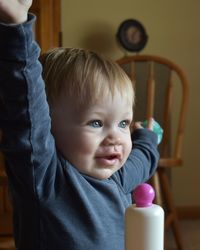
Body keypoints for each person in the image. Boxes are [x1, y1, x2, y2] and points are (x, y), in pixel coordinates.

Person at [0, 1, 160, 249]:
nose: (116, 137)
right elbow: (26, 108)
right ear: (49, 127)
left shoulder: (117, 176)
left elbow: (144, 157)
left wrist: (147, 137)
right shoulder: (45, 178)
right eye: (96, 123)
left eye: (123, 123)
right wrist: (16, 25)